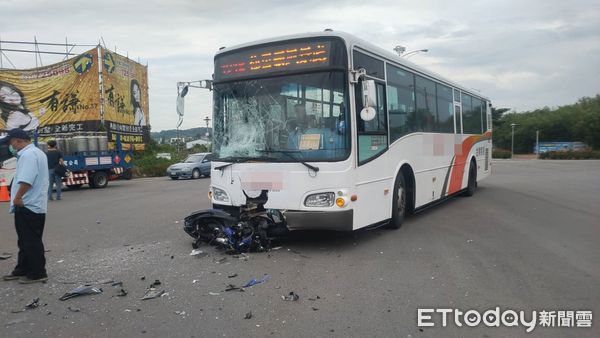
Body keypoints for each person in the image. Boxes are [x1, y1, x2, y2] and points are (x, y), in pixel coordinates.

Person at [1, 128, 49, 284]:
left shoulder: (28, 155)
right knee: (24, 240)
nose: (10, 145)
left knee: (30, 241)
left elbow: (26, 180)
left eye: (10, 142)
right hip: (33, 204)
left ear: (17, 140)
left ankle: (37, 273)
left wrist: (17, 197)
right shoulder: (36, 152)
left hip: (27, 204)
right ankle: (22, 269)